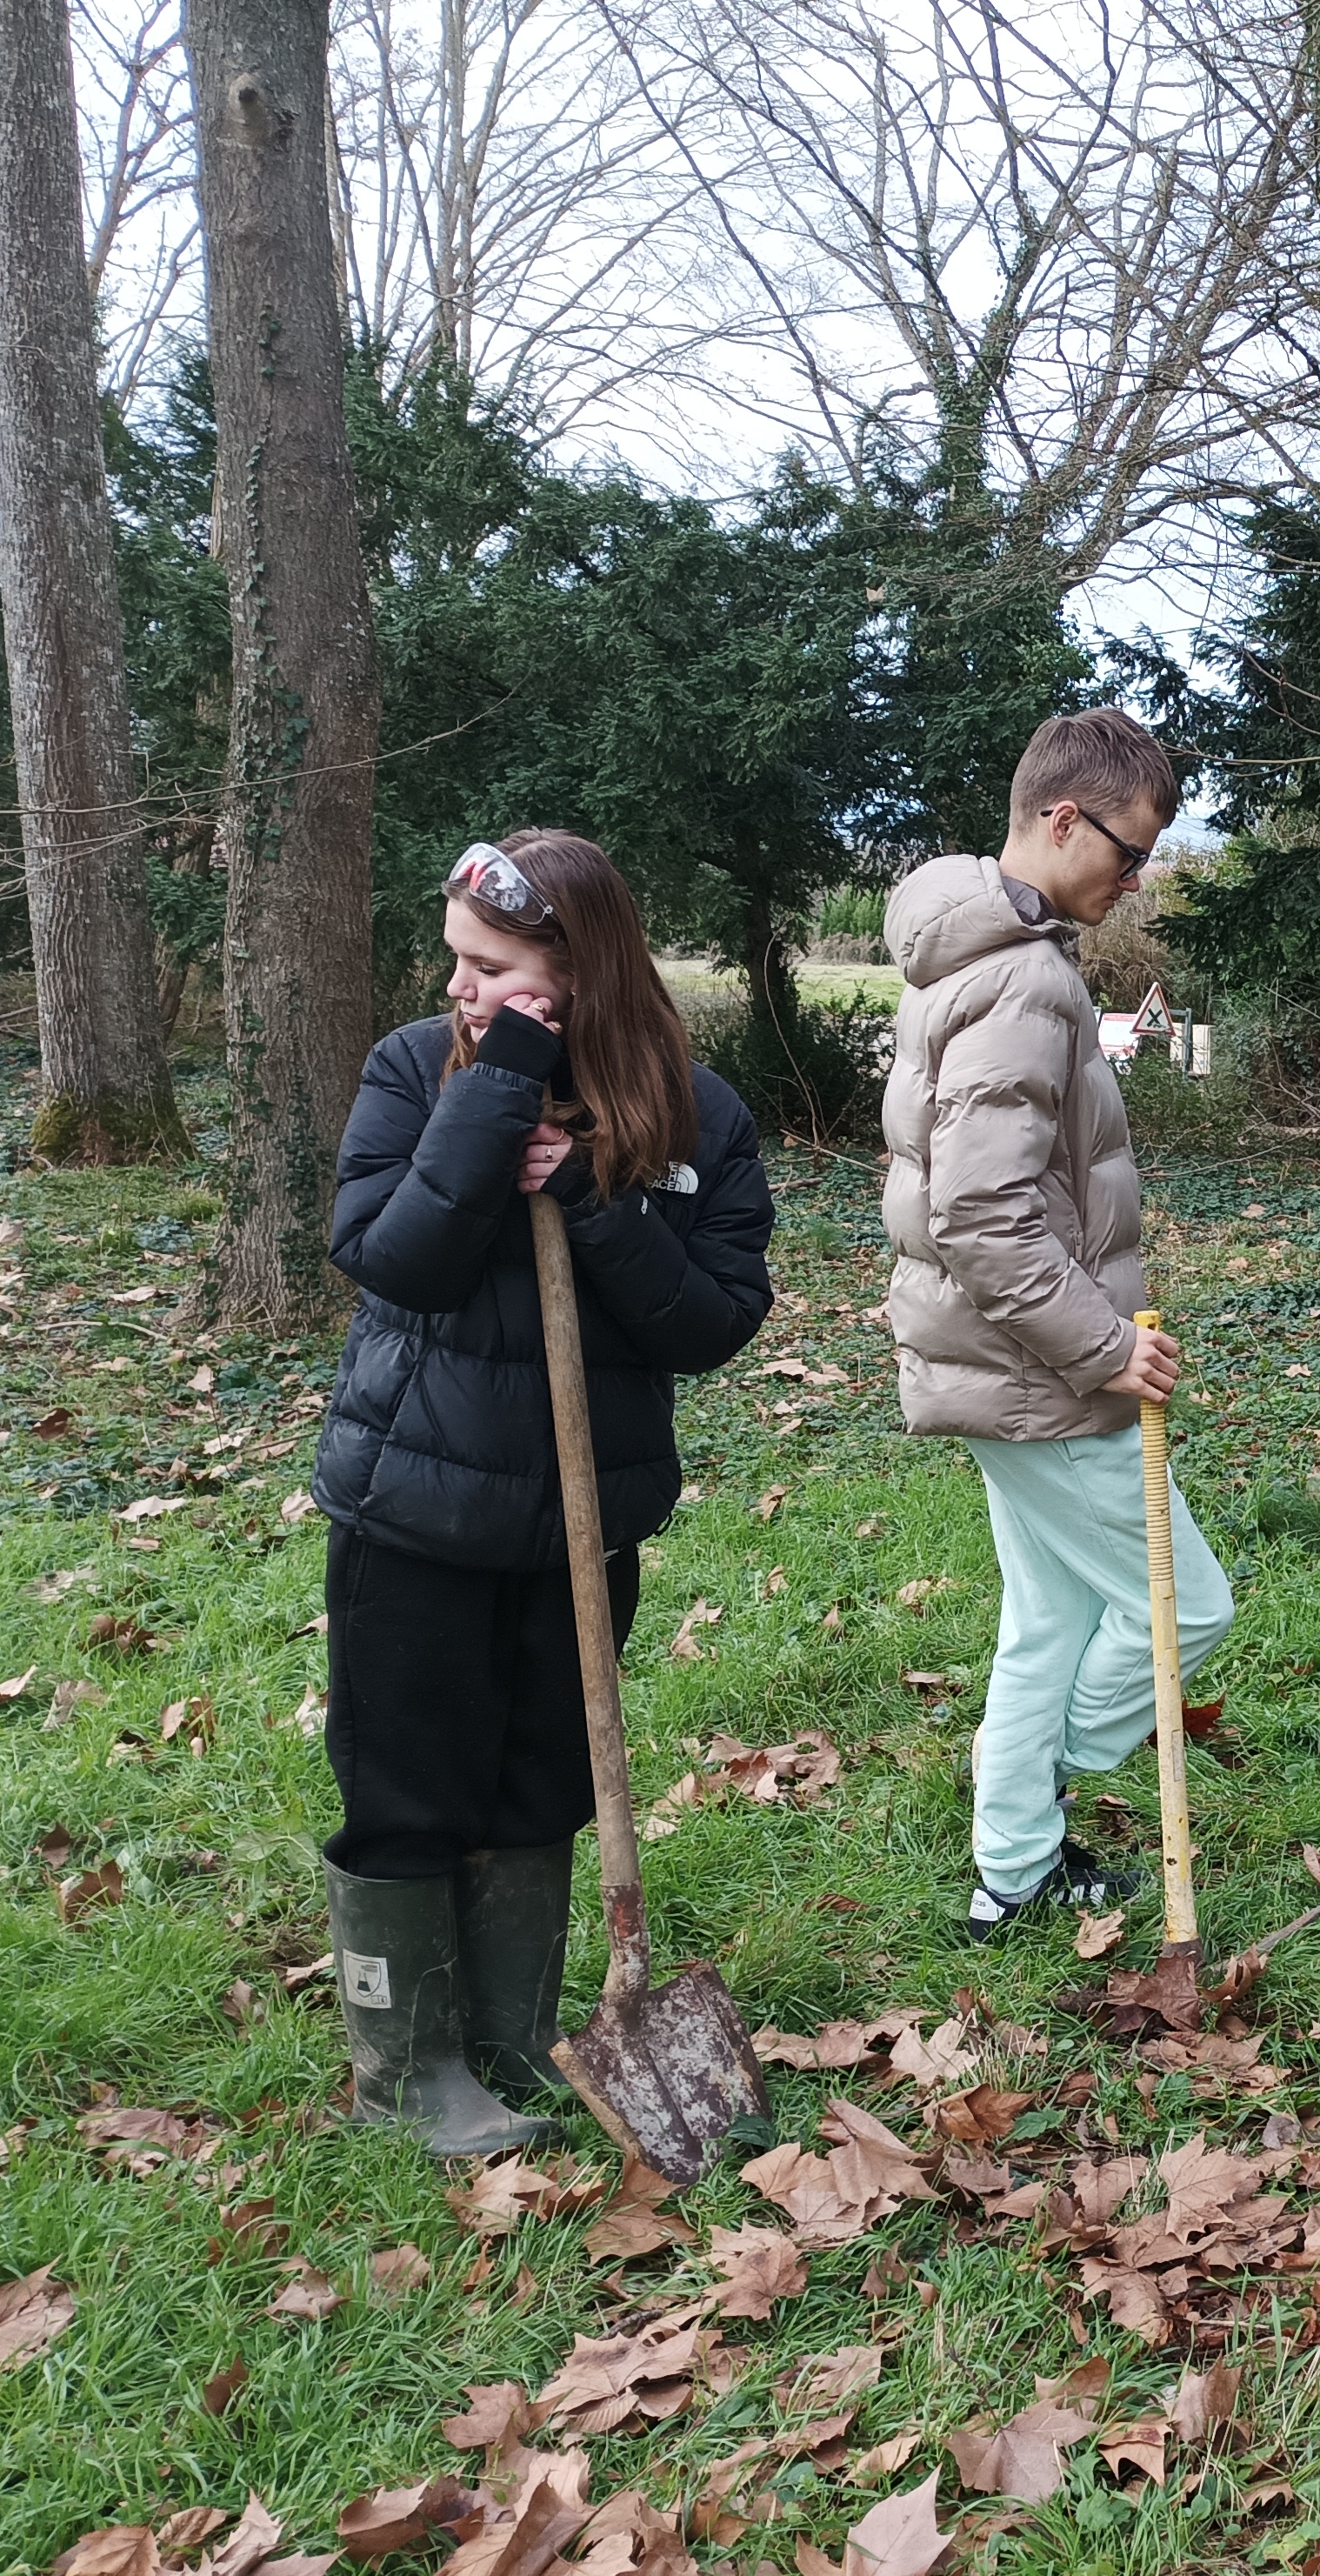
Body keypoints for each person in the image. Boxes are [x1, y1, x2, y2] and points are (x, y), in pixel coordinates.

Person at [315, 831, 777, 2155]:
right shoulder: (417, 1070)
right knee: (409, 1782)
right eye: (458, 963)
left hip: (581, 1520)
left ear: (577, 972)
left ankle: (510, 2033)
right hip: (415, 1505)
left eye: (491, 969)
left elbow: (711, 1322)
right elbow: (396, 1257)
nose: (458, 986)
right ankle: (408, 2073)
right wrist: (499, 1083)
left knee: (539, 1780)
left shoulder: (699, 1114)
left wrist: (591, 1200)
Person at [882, 708, 1232, 1941]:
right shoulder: (1022, 979)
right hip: (1039, 1373)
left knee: (1052, 1621)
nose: (1135, 881)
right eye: (1127, 853)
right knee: (1188, 1608)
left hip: (1001, 1366)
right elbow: (980, 1214)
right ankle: (1035, 1790)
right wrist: (1105, 1346)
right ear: (1062, 818)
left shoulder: (981, 954)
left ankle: (1013, 1871)